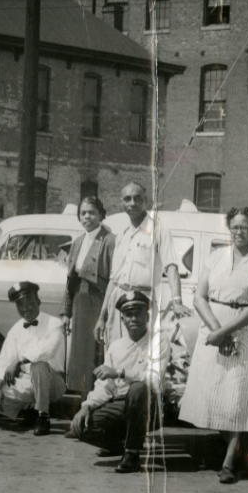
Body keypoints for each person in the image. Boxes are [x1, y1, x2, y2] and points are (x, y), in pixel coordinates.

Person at [179, 207, 248, 484]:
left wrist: (225, 332)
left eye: (245, 227)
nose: (239, 232)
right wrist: (217, 332)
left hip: (246, 330)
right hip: (214, 326)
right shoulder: (215, 257)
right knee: (212, 394)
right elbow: (199, 298)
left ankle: (229, 461)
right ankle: (241, 448)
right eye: (234, 226)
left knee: (238, 397)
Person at [95, 180, 192, 394]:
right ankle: (114, 404)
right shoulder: (121, 235)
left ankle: (138, 404)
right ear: (121, 203)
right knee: (115, 352)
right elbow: (113, 278)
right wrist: (102, 316)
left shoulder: (158, 229)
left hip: (142, 301)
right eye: (127, 199)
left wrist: (177, 301)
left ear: (146, 201)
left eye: (137, 198)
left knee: (142, 354)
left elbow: (172, 267)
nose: (132, 203)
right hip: (118, 299)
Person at [69, 290, 170, 473]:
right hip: (121, 404)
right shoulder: (116, 347)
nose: (133, 319)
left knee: (138, 389)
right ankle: (119, 444)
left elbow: (153, 378)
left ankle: (132, 453)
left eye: (138, 314)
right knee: (80, 428)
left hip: (149, 405)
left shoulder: (159, 341)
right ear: (122, 319)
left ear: (146, 316)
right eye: (128, 315)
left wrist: (120, 373)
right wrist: (87, 406)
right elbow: (105, 385)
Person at [0, 282, 66, 436]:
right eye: (21, 305)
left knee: (38, 366)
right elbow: (4, 360)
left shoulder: (54, 323)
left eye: (29, 303)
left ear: (38, 301)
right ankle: (28, 413)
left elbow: (48, 349)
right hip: (27, 381)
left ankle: (43, 417)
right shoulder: (16, 329)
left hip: (53, 382)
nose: (25, 308)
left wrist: (20, 360)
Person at [63, 196, 115, 396]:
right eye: (83, 213)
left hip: (99, 302)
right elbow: (70, 281)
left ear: (101, 215)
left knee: (97, 352)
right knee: (81, 354)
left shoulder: (110, 241)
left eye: (92, 212)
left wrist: (105, 312)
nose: (87, 217)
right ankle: (84, 400)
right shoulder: (77, 242)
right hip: (79, 301)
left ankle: (97, 400)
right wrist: (66, 311)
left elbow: (113, 278)